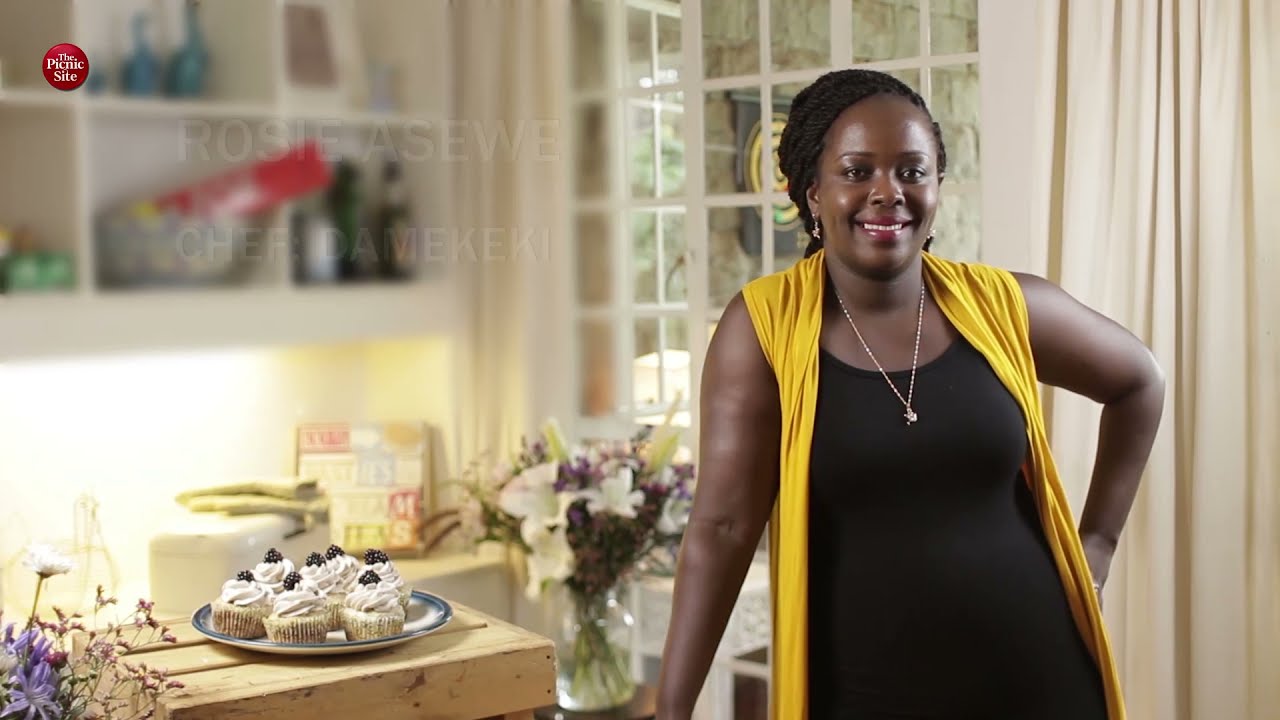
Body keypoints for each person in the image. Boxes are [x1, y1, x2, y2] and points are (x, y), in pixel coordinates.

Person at [654, 69, 1165, 720]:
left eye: (911, 172)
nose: (886, 193)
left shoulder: (1007, 305)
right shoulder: (762, 329)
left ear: (937, 189)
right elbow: (722, 528)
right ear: (811, 192)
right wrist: (672, 710)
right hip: (865, 694)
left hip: (1039, 679)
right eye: (857, 171)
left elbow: (1138, 380)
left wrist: (1098, 544)